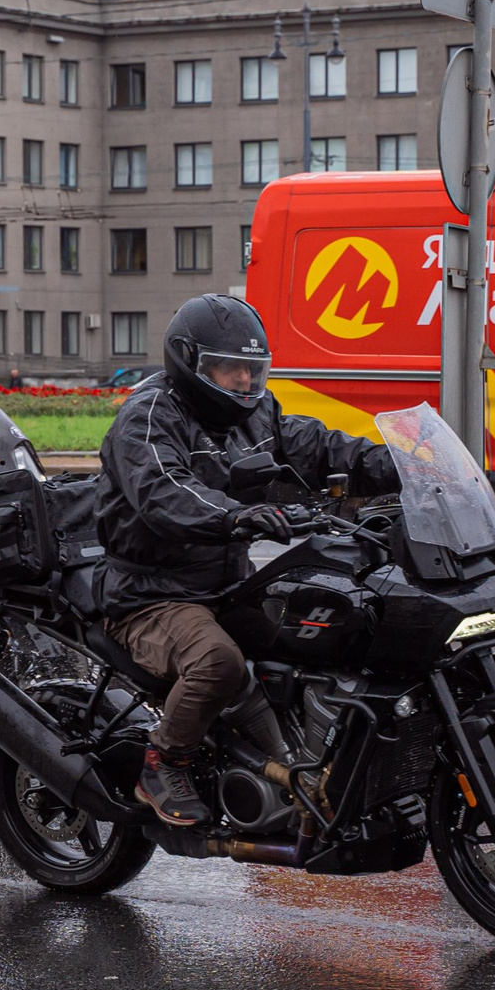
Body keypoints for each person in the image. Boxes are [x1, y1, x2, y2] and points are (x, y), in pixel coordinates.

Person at [96, 293, 400, 826]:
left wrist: (401, 465)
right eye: (228, 368)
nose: (243, 381)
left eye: (252, 369)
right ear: (190, 363)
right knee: (218, 661)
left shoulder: (260, 412)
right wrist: (238, 516)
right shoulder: (147, 416)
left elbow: (318, 446)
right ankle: (163, 759)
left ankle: (307, 767)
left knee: (333, 631)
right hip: (152, 595)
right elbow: (165, 489)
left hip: (227, 585)